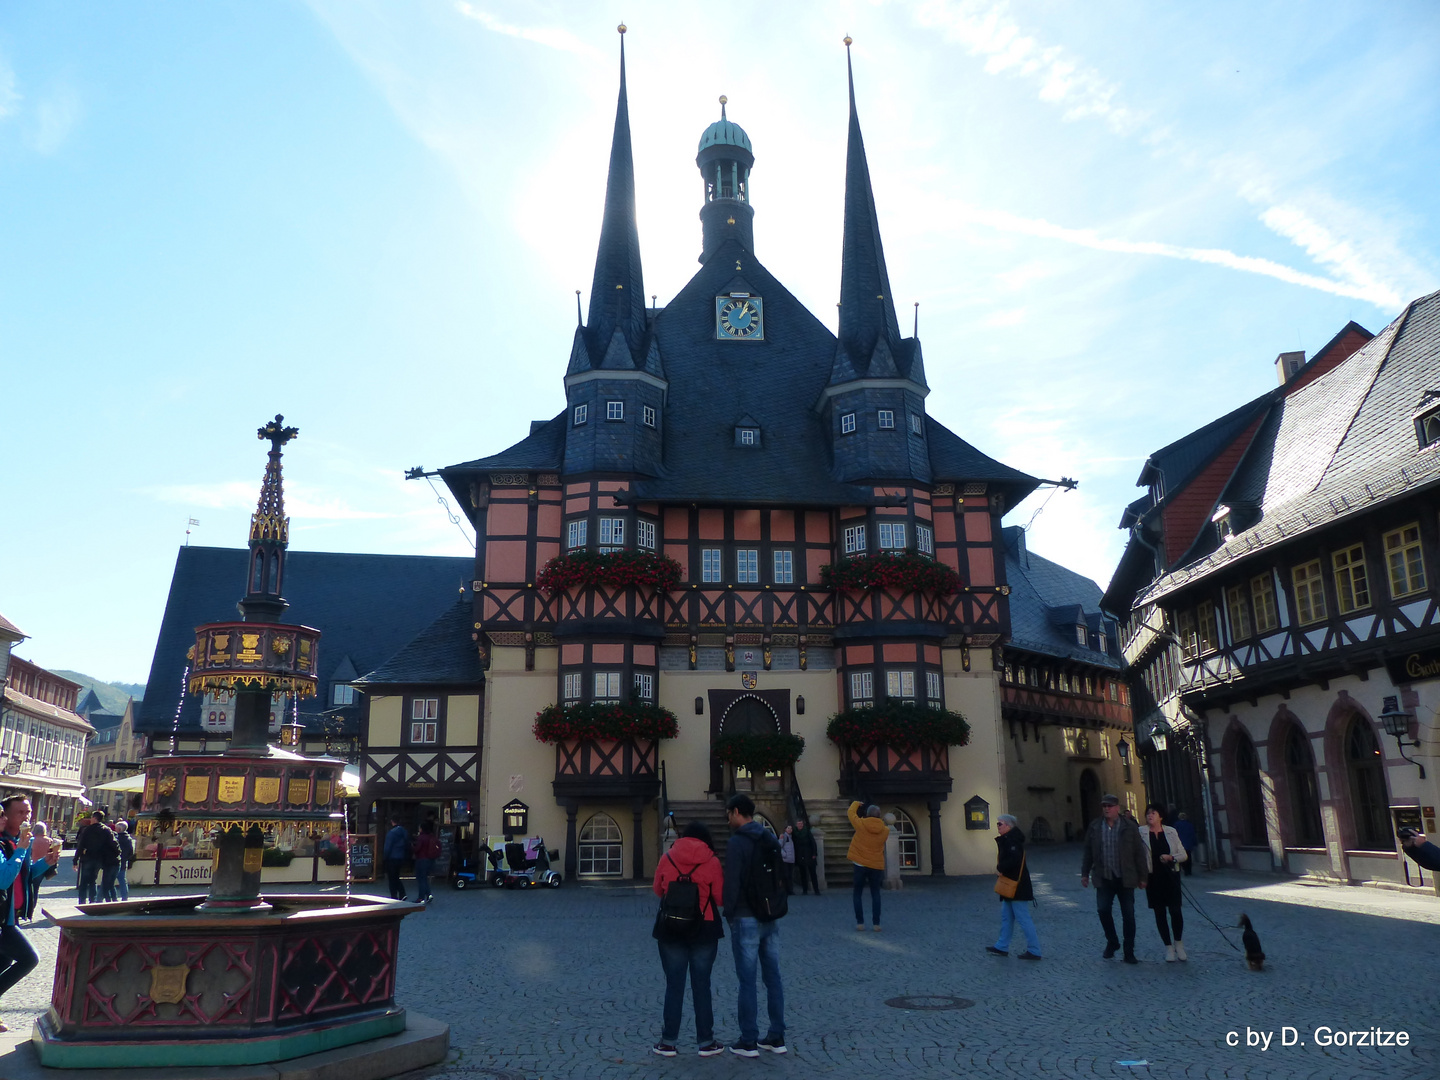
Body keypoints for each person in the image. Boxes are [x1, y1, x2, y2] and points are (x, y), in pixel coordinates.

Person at [650, 821, 725, 1058]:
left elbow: (657, 890)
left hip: (671, 927)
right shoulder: (711, 861)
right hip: (704, 927)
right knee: (702, 986)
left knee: (674, 985)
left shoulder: (667, 857)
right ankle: (706, 1041)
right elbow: (720, 897)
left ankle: (668, 1041)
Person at [723, 793, 786, 1057]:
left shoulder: (737, 842)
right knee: (773, 978)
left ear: (737, 812)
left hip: (746, 915)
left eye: (729, 813)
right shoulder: (768, 836)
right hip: (769, 915)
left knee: (747, 980)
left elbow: (732, 881)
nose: (727, 818)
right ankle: (776, 1036)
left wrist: (728, 912)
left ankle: (748, 1039)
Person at [0, 795, 59, 1030]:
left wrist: (46, 862)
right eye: (20, 813)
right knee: (29, 958)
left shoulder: (20, 841)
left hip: (10, 913)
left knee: (4, 960)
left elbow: (24, 877)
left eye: (29, 812)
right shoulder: (6, 843)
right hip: (3, 917)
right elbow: (4, 878)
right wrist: (22, 849)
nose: (27, 817)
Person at [1079, 794, 1148, 964]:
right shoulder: (1095, 827)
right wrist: (1085, 873)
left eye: (1110, 806)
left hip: (1125, 877)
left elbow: (1139, 853)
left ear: (1117, 808)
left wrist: (1143, 876)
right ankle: (1112, 941)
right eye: (1104, 806)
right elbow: (1088, 851)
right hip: (1104, 877)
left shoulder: (1130, 827)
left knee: (1129, 915)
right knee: (1102, 910)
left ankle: (1128, 951)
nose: (1106, 809)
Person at [986, 814, 1040, 960]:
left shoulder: (1012, 841)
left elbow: (1014, 860)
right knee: (1007, 917)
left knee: (1023, 918)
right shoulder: (1009, 840)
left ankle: (1034, 950)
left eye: (1000, 824)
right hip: (1012, 885)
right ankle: (1002, 946)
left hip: (1017, 886)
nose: (998, 826)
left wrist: (1000, 867)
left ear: (1008, 826)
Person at [1142, 803, 1188, 961]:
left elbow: (1183, 854)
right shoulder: (1141, 832)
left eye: (1153, 813)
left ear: (1160, 816)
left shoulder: (1171, 832)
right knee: (1159, 913)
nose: (1150, 815)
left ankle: (1179, 944)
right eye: (1148, 813)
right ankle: (1168, 947)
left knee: (1176, 911)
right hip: (1153, 878)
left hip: (1171, 876)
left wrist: (1171, 857)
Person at [847, 801, 887, 932]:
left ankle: (860, 923)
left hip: (860, 864)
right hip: (876, 865)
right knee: (876, 893)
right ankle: (876, 923)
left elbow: (850, 813)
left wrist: (856, 803)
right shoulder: (885, 831)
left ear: (867, 814)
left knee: (857, 893)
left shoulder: (861, 825)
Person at [75, 809, 120, 904]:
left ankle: (82, 902)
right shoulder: (106, 830)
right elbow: (113, 844)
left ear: (95, 818)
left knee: (83, 882)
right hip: (99, 859)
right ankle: (92, 901)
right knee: (93, 881)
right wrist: (117, 854)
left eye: (92, 817)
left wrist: (75, 860)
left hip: (87, 858)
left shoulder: (87, 830)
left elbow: (81, 845)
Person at [23, 822, 57, 920]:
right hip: (43, 867)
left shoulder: (31, 841)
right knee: (35, 890)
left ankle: (26, 908)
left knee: (28, 888)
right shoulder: (49, 841)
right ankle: (31, 910)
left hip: (32, 865)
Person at [383, 815, 410, 901]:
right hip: (400, 857)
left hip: (392, 858)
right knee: (396, 876)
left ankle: (394, 895)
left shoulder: (391, 833)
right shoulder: (404, 832)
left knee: (392, 878)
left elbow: (388, 847)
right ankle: (402, 894)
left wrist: (385, 858)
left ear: (392, 821)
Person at [413, 820, 441, 904]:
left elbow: (417, 849)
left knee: (421, 879)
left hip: (421, 860)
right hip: (430, 860)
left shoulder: (421, 837)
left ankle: (421, 898)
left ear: (421, 829)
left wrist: (411, 847)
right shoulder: (432, 836)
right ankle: (429, 894)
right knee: (424, 878)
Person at [792, 818, 819, 895]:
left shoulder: (807, 832)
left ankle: (816, 890)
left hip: (809, 855)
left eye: (801, 824)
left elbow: (813, 843)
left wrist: (814, 853)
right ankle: (805, 890)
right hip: (800, 855)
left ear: (803, 825)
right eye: (798, 824)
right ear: (796, 825)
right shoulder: (795, 833)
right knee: (803, 874)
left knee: (813, 873)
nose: (800, 825)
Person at [113, 821, 135, 902]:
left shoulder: (116, 838)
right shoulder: (128, 839)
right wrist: (126, 858)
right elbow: (131, 852)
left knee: (110, 880)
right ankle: (124, 897)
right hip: (123, 862)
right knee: (122, 880)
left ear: (119, 829)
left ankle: (113, 897)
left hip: (115, 862)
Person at [1172, 811, 1199, 876]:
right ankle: (1189, 870)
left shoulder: (1176, 824)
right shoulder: (1189, 824)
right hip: (1188, 843)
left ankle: (1185, 870)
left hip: (1181, 843)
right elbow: (1193, 834)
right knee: (1189, 857)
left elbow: (1174, 834)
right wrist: (1194, 842)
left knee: (1182, 857)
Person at [778, 826, 796, 896]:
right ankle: (786, 890)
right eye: (788, 828)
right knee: (786, 875)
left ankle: (790, 890)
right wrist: (784, 854)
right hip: (786, 859)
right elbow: (779, 846)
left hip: (791, 860)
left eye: (791, 828)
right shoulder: (784, 836)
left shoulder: (791, 837)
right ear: (785, 829)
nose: (790, 829)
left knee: (790, 876)